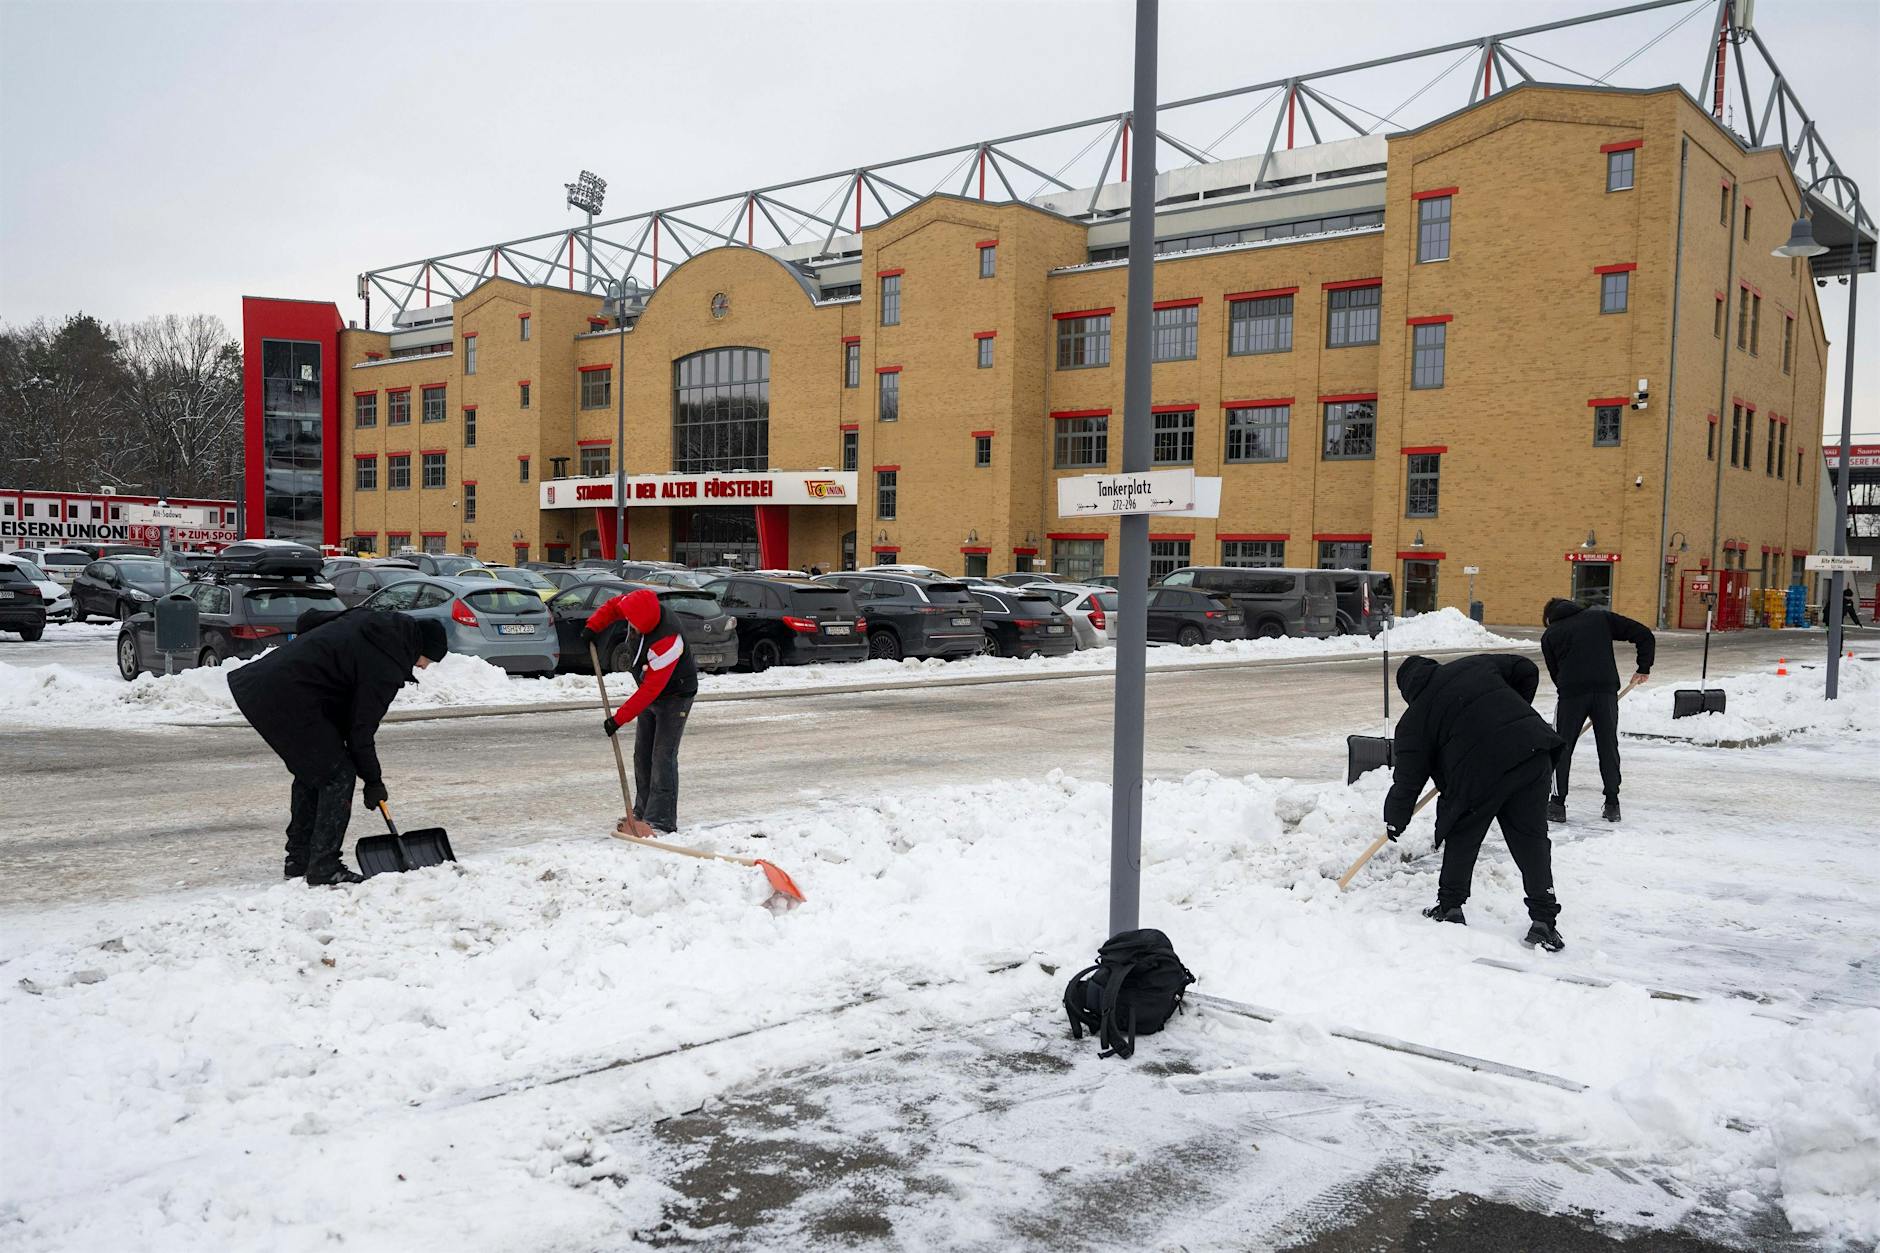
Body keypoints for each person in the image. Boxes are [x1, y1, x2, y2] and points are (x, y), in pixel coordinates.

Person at [229, 609, 448, 886]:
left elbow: (309, 619)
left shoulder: (372, 626)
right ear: (420, 647)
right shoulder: (385, 664)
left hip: (266, 684)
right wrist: (373, 781)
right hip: (288, 696)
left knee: (315, 770)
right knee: (337, 774)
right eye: (426, 660)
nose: (424, 667)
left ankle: (299, 860)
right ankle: (323, 866)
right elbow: (361, 730)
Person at [1384, 653, 1567, 951]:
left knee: (1461, 835)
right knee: (1531, 839)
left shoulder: (1414, 719)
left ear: (1408, 692)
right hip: (1532, 752)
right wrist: (1512, 713)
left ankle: (1450, 908)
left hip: (1477, 774)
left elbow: (1407, 781)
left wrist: (1395, 819)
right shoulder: (1474, 665)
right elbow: (1526, 669)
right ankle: (1544, 921)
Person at [584, 588, 697, 835]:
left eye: (634, 625)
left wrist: (618, 719)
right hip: (651, 692)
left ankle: (661, 820)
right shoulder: (636, 605)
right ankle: (641, 812)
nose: (630, 625)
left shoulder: (668, 642)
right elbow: (615, 606)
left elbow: (650, 692)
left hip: (675, 696)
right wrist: (593, 627)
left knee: (662, 757)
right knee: (642, 754)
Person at [1540, 598, 1655, 824]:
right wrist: (1643, 667)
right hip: (1605, 691)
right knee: (1608, 745)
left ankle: (1556, 804)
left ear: (1548, 617)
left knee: (1560, 747)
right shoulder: (1599, 618)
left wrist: (1570, 686)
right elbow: (1644, 634)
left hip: (1572, 693)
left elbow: (1556, 673)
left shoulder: (1551, 634)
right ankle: (1612, 804)